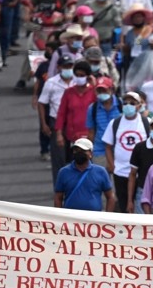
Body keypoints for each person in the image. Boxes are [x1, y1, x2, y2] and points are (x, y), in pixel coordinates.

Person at [100, 84, 145, 214]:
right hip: (120, 173)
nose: (128, 105)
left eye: (132, 103)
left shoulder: (146, 123)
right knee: (124, 205)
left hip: (140, 174)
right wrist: (112, 165)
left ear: (139, 106)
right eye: (125, 103)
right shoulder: (115, 123)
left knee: (140, 206)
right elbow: (107, 146)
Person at [55, 137, 116, 211]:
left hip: (93, 218)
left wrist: (106, 218)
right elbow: (58, 198)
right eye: (76, 150)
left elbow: (110, 197)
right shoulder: (64, 172)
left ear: (90, 153)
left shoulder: (101, 172)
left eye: (83, 151)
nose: (79, 153)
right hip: (70, 218)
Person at [86, 77, 122, 167]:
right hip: (99, 150)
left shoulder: (121, 104)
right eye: (99, 91)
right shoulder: (93, 108)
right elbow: (91, 132)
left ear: (112, 90)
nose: (102, 93)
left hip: (118, 150)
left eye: (104, 90)